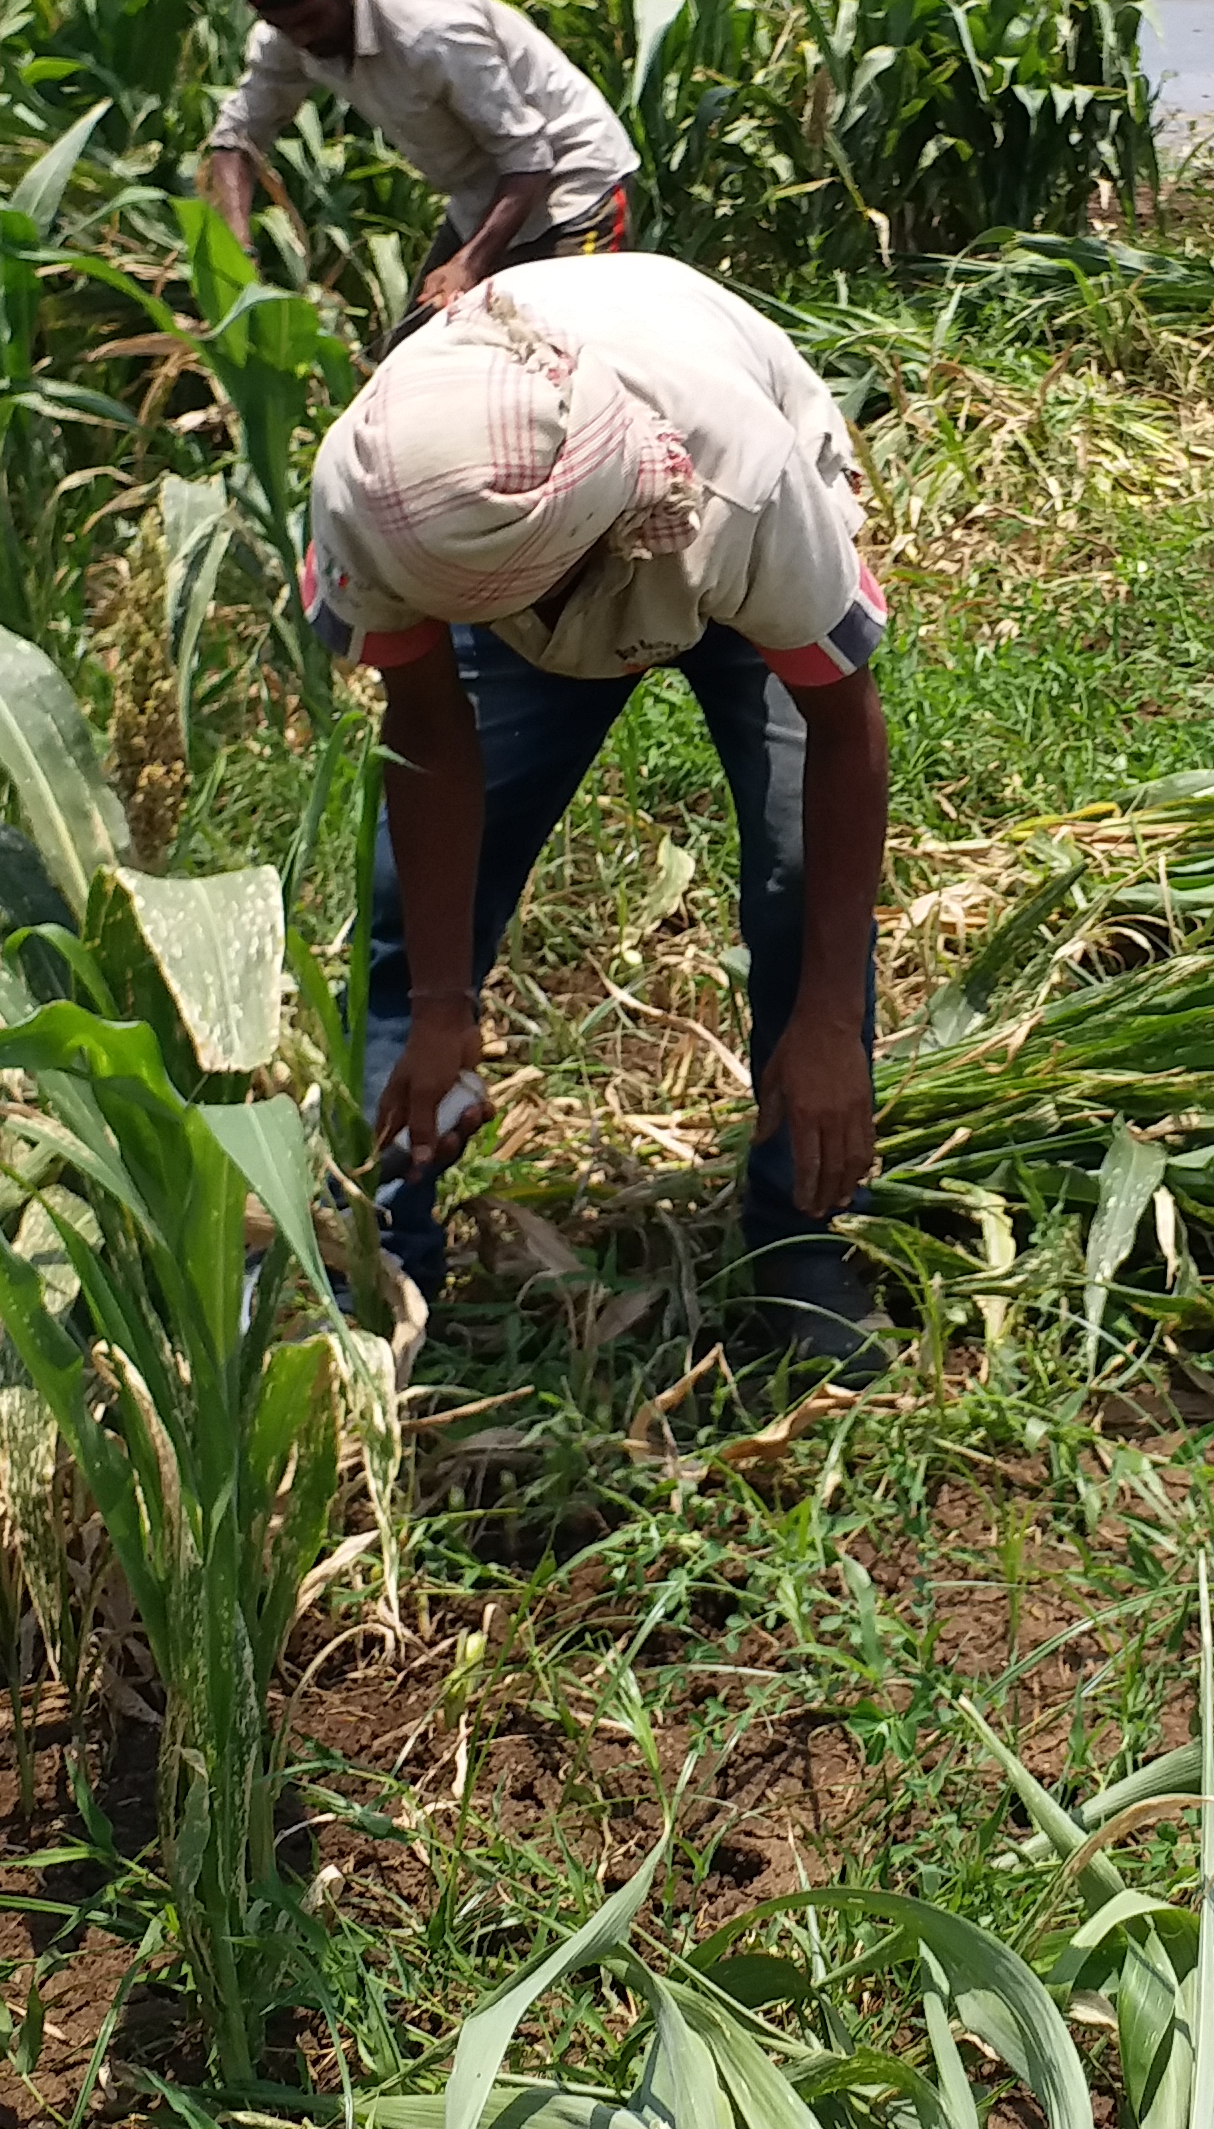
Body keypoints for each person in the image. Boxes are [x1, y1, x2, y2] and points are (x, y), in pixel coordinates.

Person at [300, 254, 893, 1368]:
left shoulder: (744, 484)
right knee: (406, 907)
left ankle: (802, 1246)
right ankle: (384, 1255)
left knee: (791, 877)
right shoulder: (383, 498)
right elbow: (430, 736)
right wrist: (439, 1007)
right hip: (492, 544)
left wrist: (823, 1023)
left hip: (697, 526)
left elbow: (842, 728)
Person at [196, 0, 642, 319]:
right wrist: (239, 244)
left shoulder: (431, 31)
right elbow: (236, 137)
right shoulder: (289, 36)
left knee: (555, 362)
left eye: (310, 20)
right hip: (482, 200)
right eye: (284, 26)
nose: (303, 38)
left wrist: (468, 264)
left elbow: (529, 156)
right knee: (408, 358)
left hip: (572, 192)